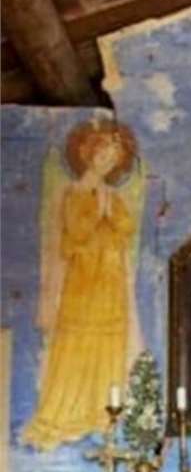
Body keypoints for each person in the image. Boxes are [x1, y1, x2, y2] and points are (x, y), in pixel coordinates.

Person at [23, 119, 145, 450]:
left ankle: (100, 413)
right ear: (88, 154)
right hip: (83, 283)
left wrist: (110, 210)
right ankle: (65, 415)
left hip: (110, 283)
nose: (106, 162)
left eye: (113, 158)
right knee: (76, 343)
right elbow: (75, 233)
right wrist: (97, 211)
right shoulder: (73, 193)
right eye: (103, 154)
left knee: (108, 344)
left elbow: (126, 228)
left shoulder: (113, 196)